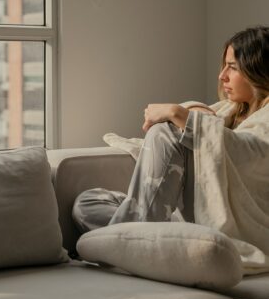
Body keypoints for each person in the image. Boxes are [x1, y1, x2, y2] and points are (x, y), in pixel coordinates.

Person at [73, 26, 269, 274]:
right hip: (178, 218)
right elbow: (205, 125)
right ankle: (139, 242)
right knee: (86, 203)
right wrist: (192, 113)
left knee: (165, 132)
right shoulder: (229, 110)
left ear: (258, 70)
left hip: (224, 223)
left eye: (232, 67)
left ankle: (132, 242)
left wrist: (177, 113)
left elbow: (252, 152)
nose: (222, 76)